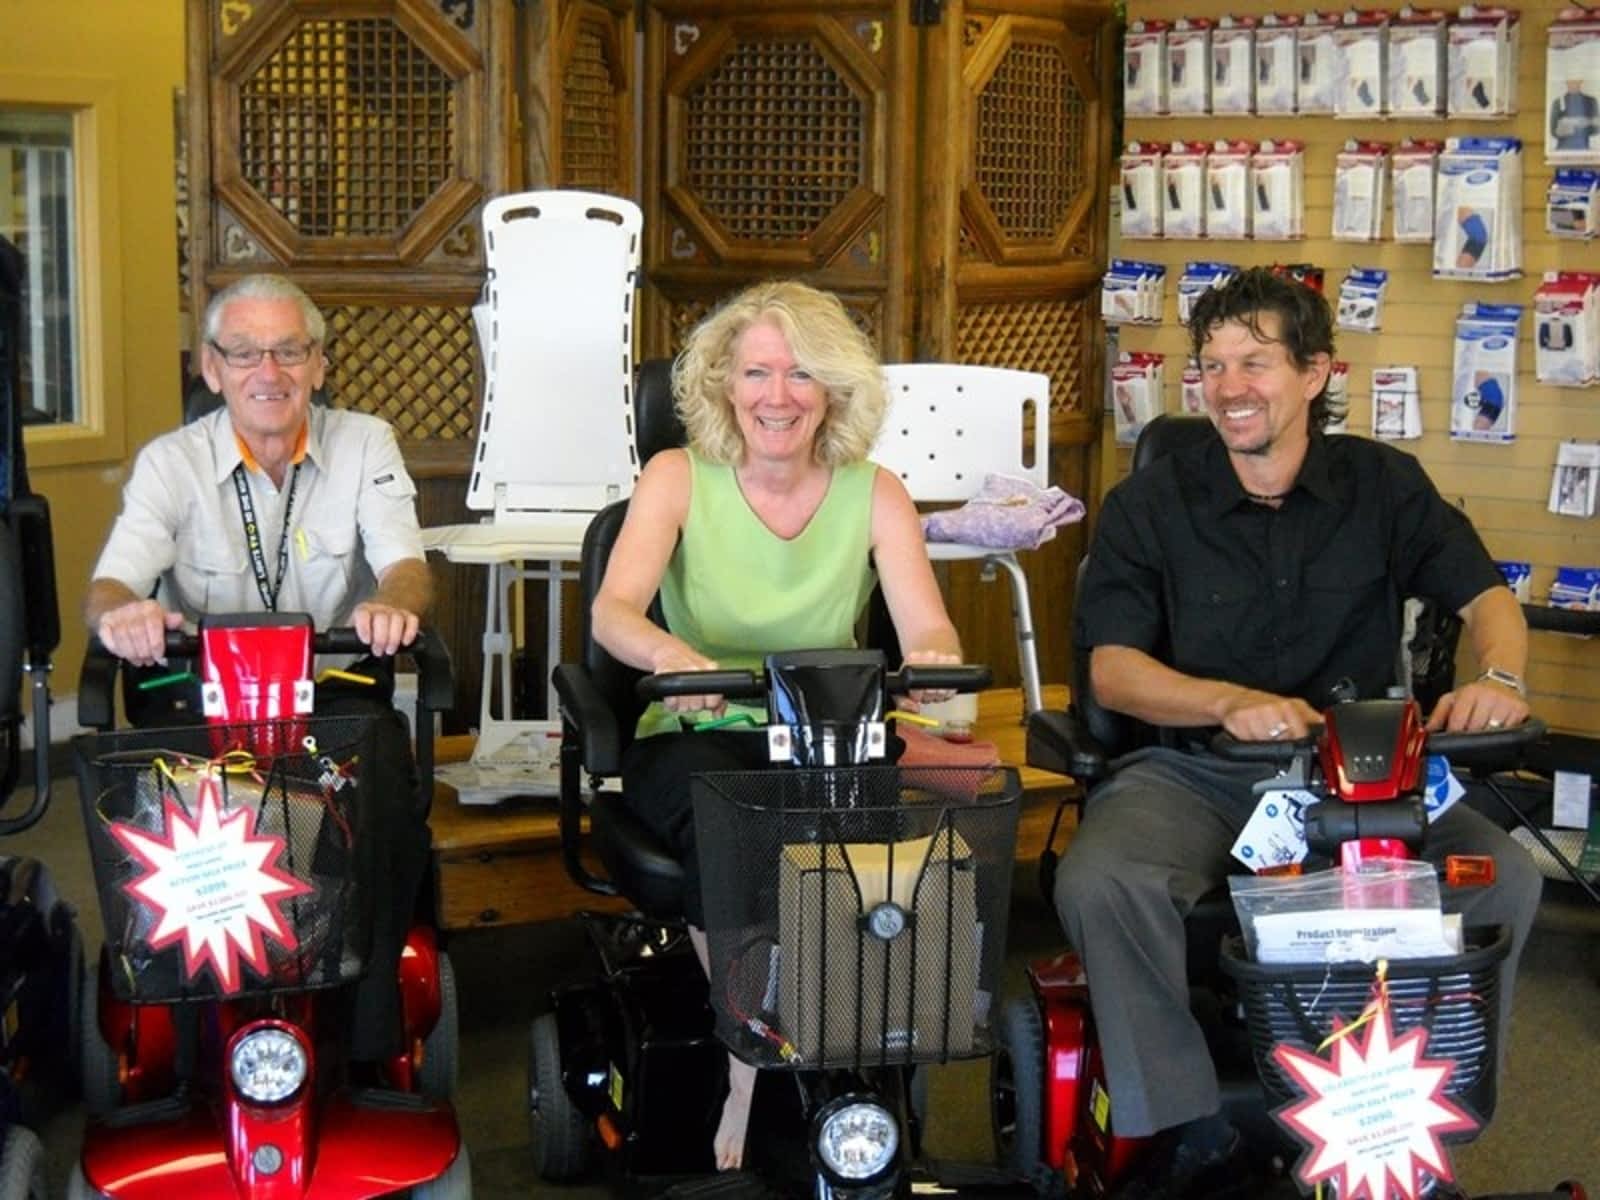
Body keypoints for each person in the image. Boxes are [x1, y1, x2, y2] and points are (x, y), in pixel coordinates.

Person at [1055, 267, 1542, 1199]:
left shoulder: (1383, 485)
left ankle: (1415, 1119)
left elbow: (1487, 600)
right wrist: (1223, 702)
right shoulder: (1150, 503)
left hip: (1360, 775)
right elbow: (1113, 670)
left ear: (1316, 372)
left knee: (1504, 877)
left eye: (1255, 362)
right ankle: (1183, 1124)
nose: (1228, 386)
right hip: (1196, 771)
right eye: (1212, 365)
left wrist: (1501, 680)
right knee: (1103, 879)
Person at [590, 279, 963, 1171]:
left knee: (888, 850)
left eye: (801, 374)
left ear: (834, 390)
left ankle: (865, 1045)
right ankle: (748, 1060)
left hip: (828, 728)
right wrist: (672, 657)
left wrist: (936, 664)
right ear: (725, 385)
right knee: (737, 825)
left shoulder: (876, 493)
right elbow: (613, 612)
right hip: (700, 728)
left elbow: (931, 630)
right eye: (757, 372)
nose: (777, 396)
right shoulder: (677, 477)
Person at [83, 272, 433, 1065]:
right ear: (211, 368)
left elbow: (405, 564)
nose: (267, 372)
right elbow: (110, 586)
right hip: (202, 703)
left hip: (328, 699)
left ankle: (367, 1042)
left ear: (318, 363)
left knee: (385, 790)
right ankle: (205, 1052)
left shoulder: (365, 441)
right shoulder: (170, 462)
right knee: (185, 819)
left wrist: (392, 603)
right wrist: (124, 614)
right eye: (244, 353)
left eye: (288, 351)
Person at [1550, 78, 1599, 154]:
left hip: (1584, 149)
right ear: (1566, 81)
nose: (1573, 83)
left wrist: (1578, 124)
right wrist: (1565, 128)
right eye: (1570, 80)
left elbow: (1596, 128)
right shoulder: (1558, 102)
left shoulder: (1591, 101)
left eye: (1576, 80)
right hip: (1563, 150)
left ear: (1581, 81)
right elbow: (1553, 131)